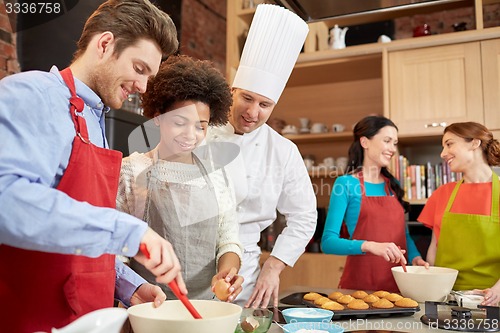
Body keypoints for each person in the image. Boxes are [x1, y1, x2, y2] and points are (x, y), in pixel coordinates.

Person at [0, 1, 186, 332]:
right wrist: (131, 233)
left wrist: (127, 284)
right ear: (104, 45)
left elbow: (75, 234)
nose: (143, 87)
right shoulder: (32, 94)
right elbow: (8, 201)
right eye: (139, 68)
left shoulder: (95, 120)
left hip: (86, 319)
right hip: (33, 318)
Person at [205, 4, 317, 308]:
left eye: (265, 105)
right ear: (232, 90)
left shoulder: (282, 151)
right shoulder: (198, 132)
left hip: (245, 277)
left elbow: (305, 216)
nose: (253, 113)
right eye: (247, 98)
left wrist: (274, 265)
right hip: (185, 268)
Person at [117, 55, 244, 302]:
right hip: (149, 309)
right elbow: (117, 250)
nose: (191, 135)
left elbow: (228, 239)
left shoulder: (216, 173)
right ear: (157, 117)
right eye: (179, 122)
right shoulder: (131, 171)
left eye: (201, 126)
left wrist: (228, 272)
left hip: (205, 311)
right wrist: (128, 294)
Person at [321, 115, 428, 292]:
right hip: (360, 289)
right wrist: (370, 245)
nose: (392, 149)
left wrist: (416, 257)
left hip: (400, 286)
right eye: (387, 141)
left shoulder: (393, 185)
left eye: (395, 143)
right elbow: (328, 242)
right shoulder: (346, 184)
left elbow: (403, 235)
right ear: (365, 142)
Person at [418, 122, 500, 306]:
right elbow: (434, 248)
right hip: (445, 298)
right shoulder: (442, 194)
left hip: (491, 300)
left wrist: (498, 290)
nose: (443, 153)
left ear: (474, 143)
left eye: (449, 144)